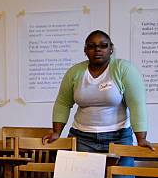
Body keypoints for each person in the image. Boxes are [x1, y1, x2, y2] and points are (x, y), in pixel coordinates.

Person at [43, 29, 153, 160]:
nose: (97, 49)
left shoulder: (124, 69)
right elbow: (63, 103)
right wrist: (56, 132)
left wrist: (141, 139)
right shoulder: (75, 72)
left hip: (118, 138)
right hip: (81, 138)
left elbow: (136, 105)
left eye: (103, 45)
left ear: (111, 49)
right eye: (91, 46)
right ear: (85, 50)